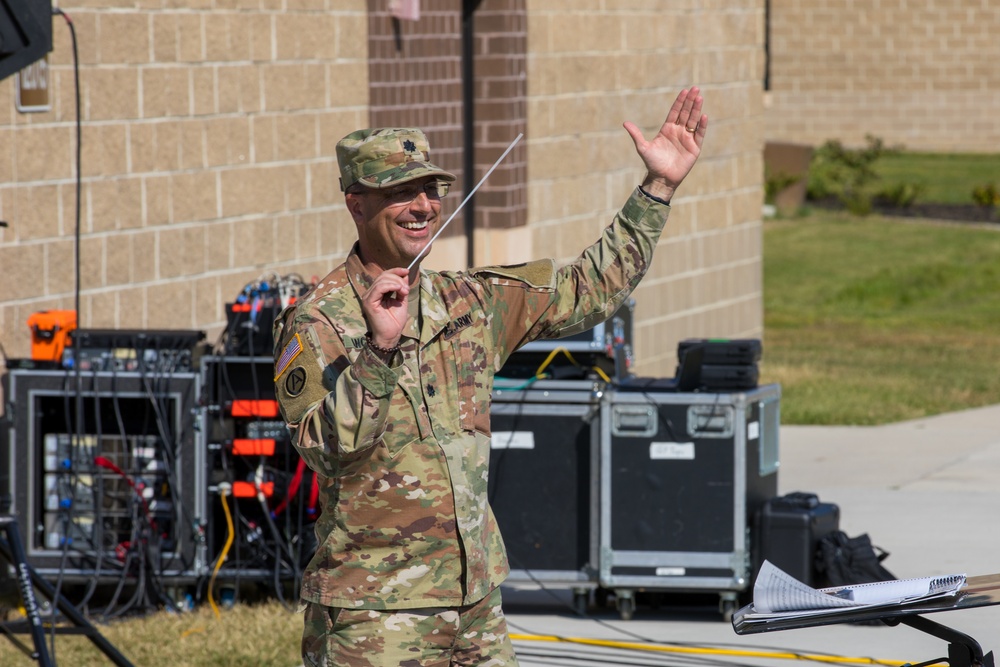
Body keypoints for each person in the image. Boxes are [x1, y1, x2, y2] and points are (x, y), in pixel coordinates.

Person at [273, 87, 708, 667]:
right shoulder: (318, 319)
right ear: (356, 203)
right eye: (400, 192)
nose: (423, 205)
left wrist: (658, 188)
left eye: (429, 189)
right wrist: (380, 346)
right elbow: (326, 448)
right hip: (374, 611)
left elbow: (591, 288)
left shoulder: (469, 301)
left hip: (476, 602)